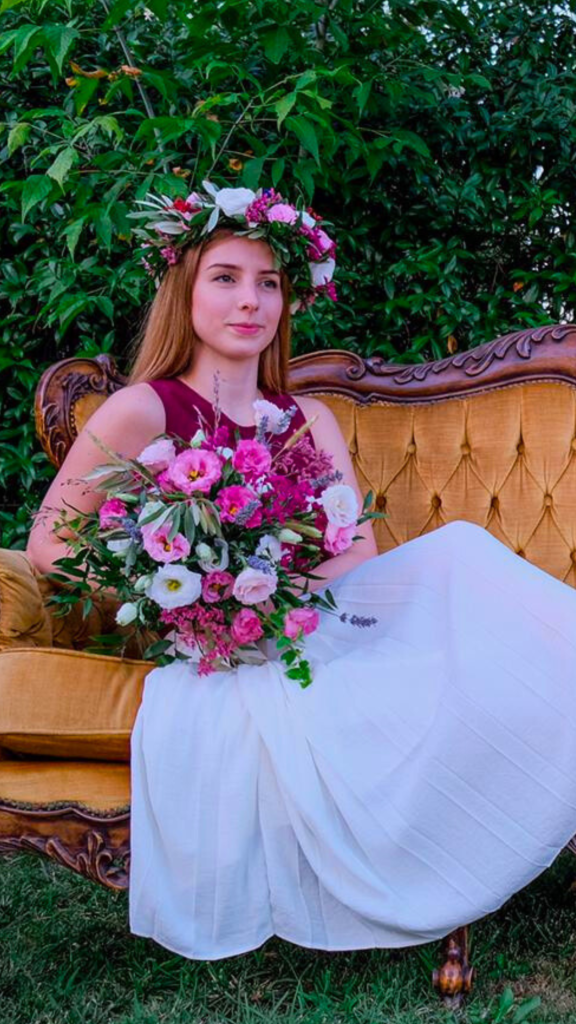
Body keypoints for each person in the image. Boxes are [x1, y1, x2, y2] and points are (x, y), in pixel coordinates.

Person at [27, 183, 576, 960]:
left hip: (315, 620)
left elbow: (357, 551)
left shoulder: (305, 417)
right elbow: (49, 544)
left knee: (458, 556)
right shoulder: (143, 409)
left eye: (269, 283)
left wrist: (278, 597)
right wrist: (181, 600)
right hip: (217, 647)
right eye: (226, 278)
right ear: (185, 291)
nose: (250, 301)